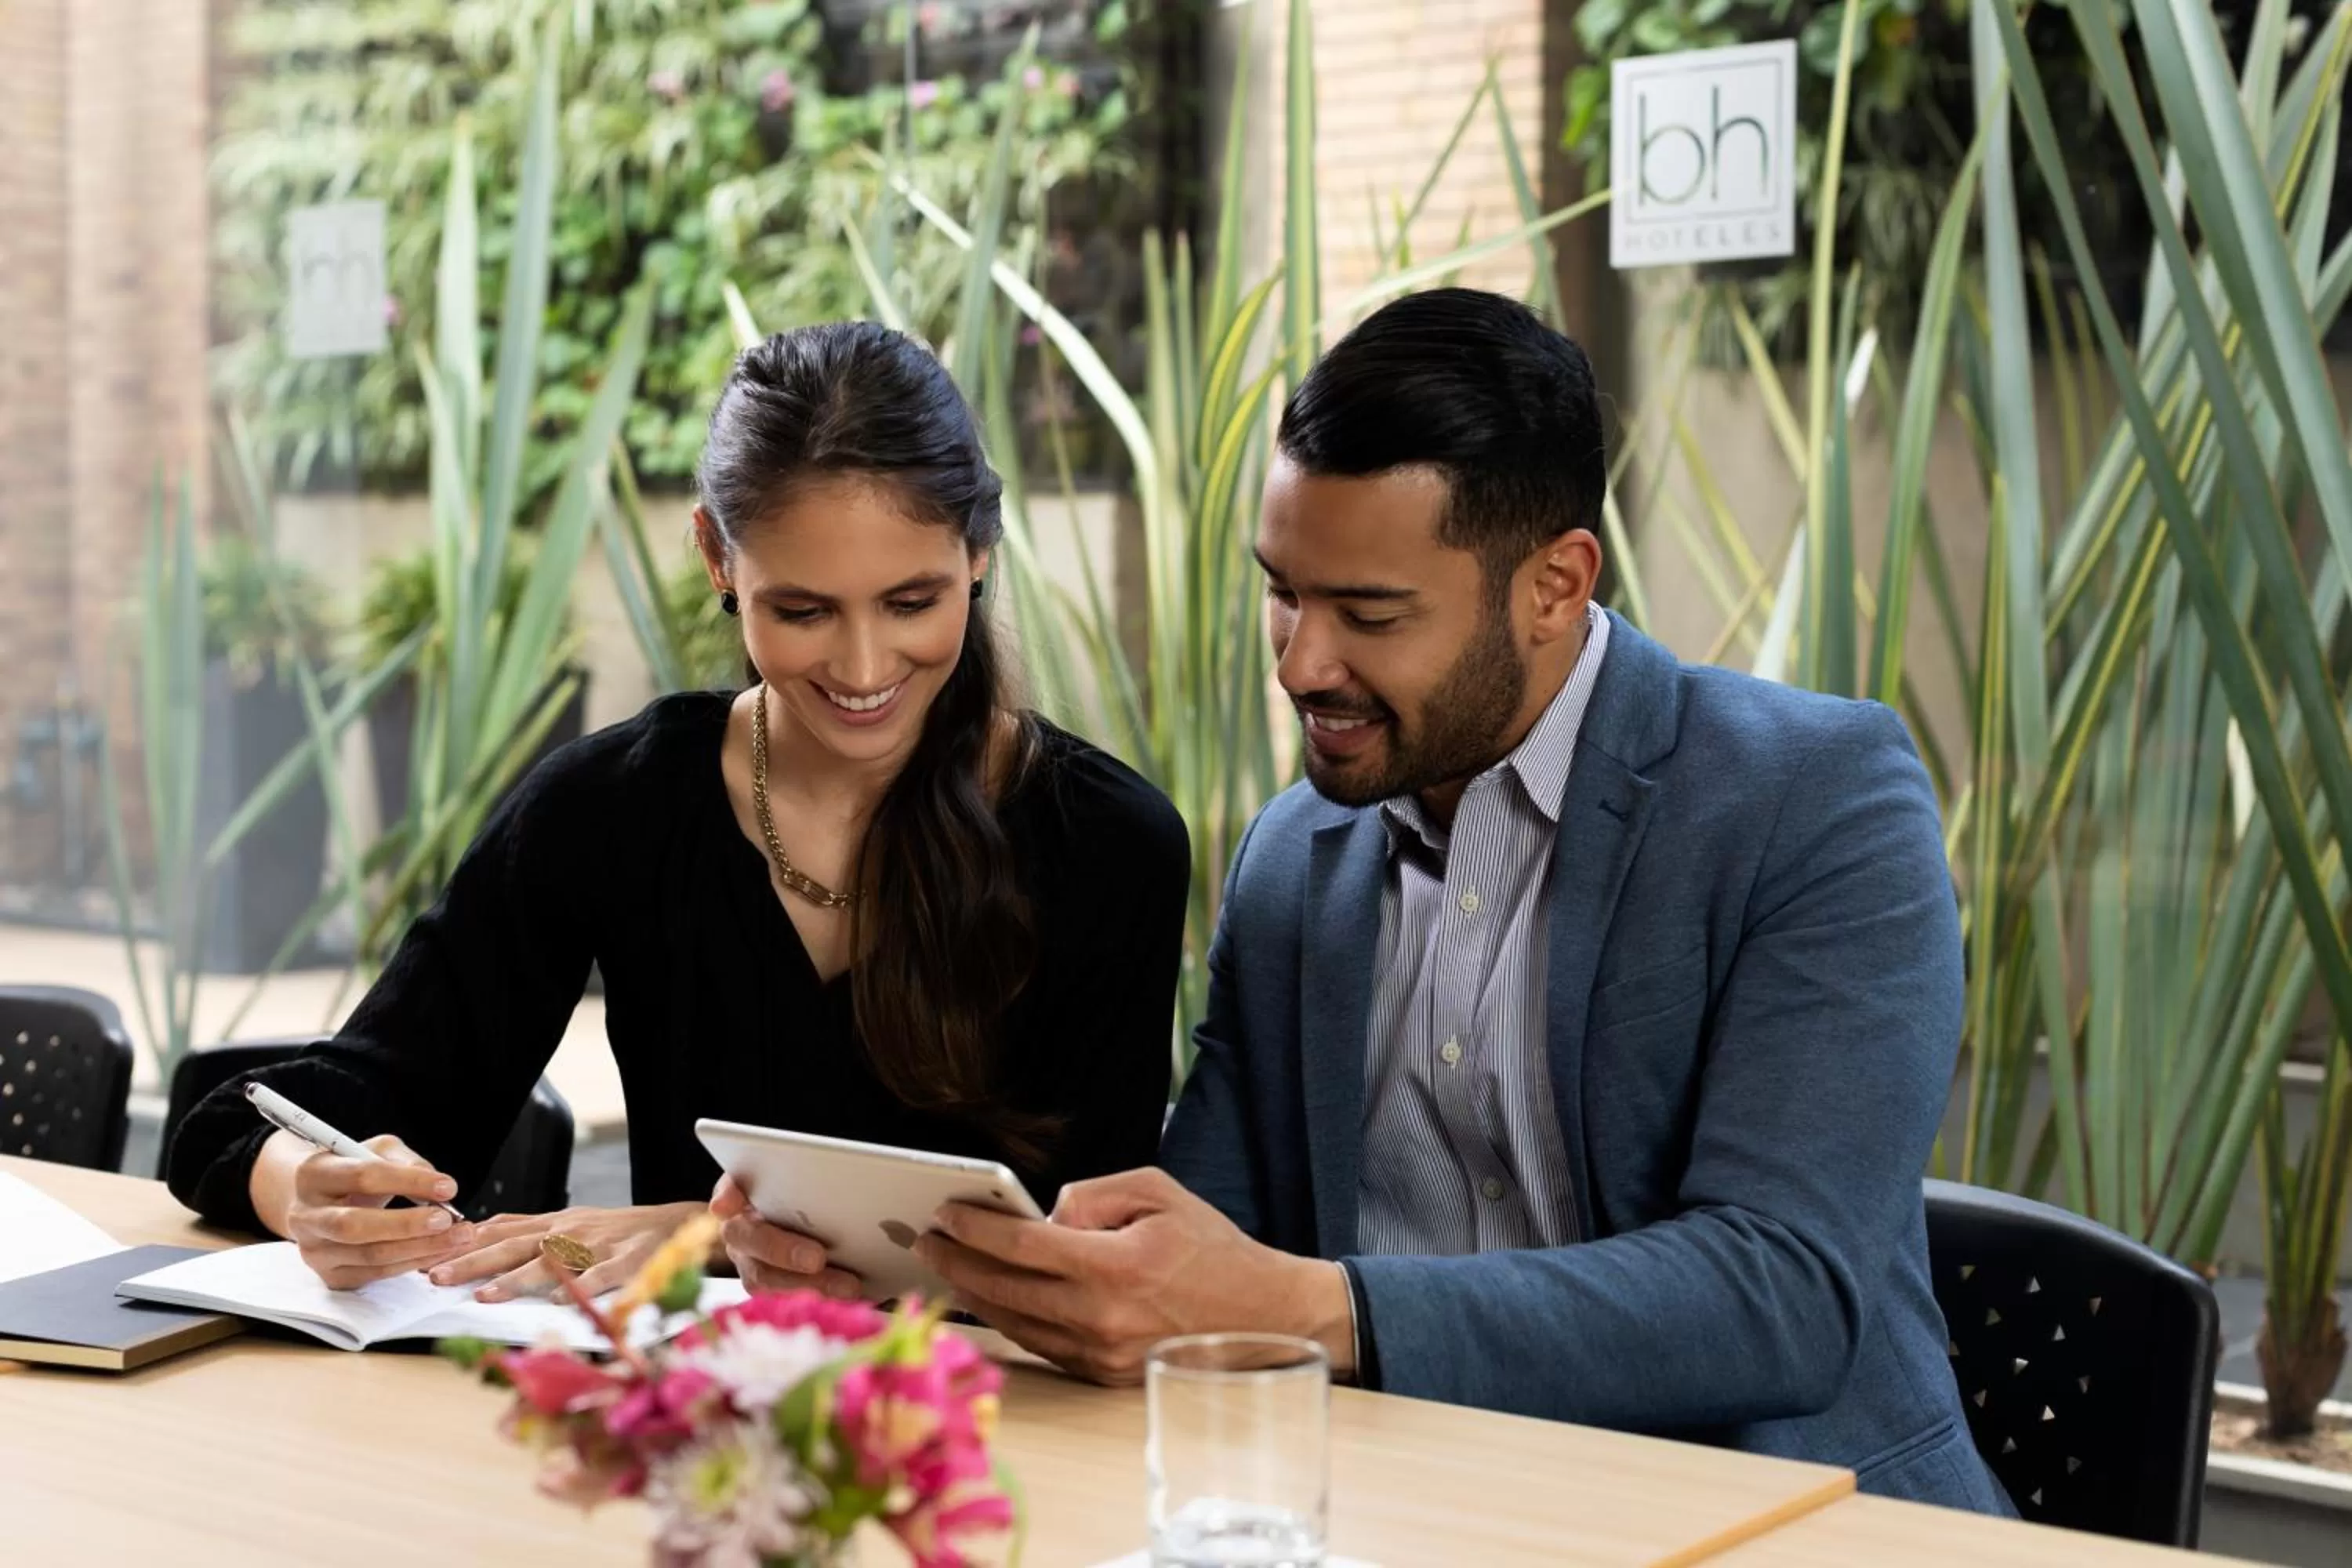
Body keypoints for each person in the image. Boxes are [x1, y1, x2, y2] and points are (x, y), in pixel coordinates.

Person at [912, 289, 2014, 1514]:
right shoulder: (1297, 854)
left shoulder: (1812, 800)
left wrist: (1315, 1309)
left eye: (1369, 614)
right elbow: (1204, 1244)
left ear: (1555, 584)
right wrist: (980, 1266)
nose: (1300, 663)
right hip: (1408, 1514)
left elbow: (1779, 1297)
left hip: (1775, 1522)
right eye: (1283, 591)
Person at [166, 321, 1190, 1303]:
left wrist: (694, 1236)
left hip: (989, 1442)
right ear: (717, 558)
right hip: (687, 1430)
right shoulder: (614, 807)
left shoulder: (1106, 847)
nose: (867, 667)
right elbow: (259, 1119)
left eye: (912, 603)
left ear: (978, 550)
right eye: (802, 611)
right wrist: (307, 1191)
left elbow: (1086, 1269)